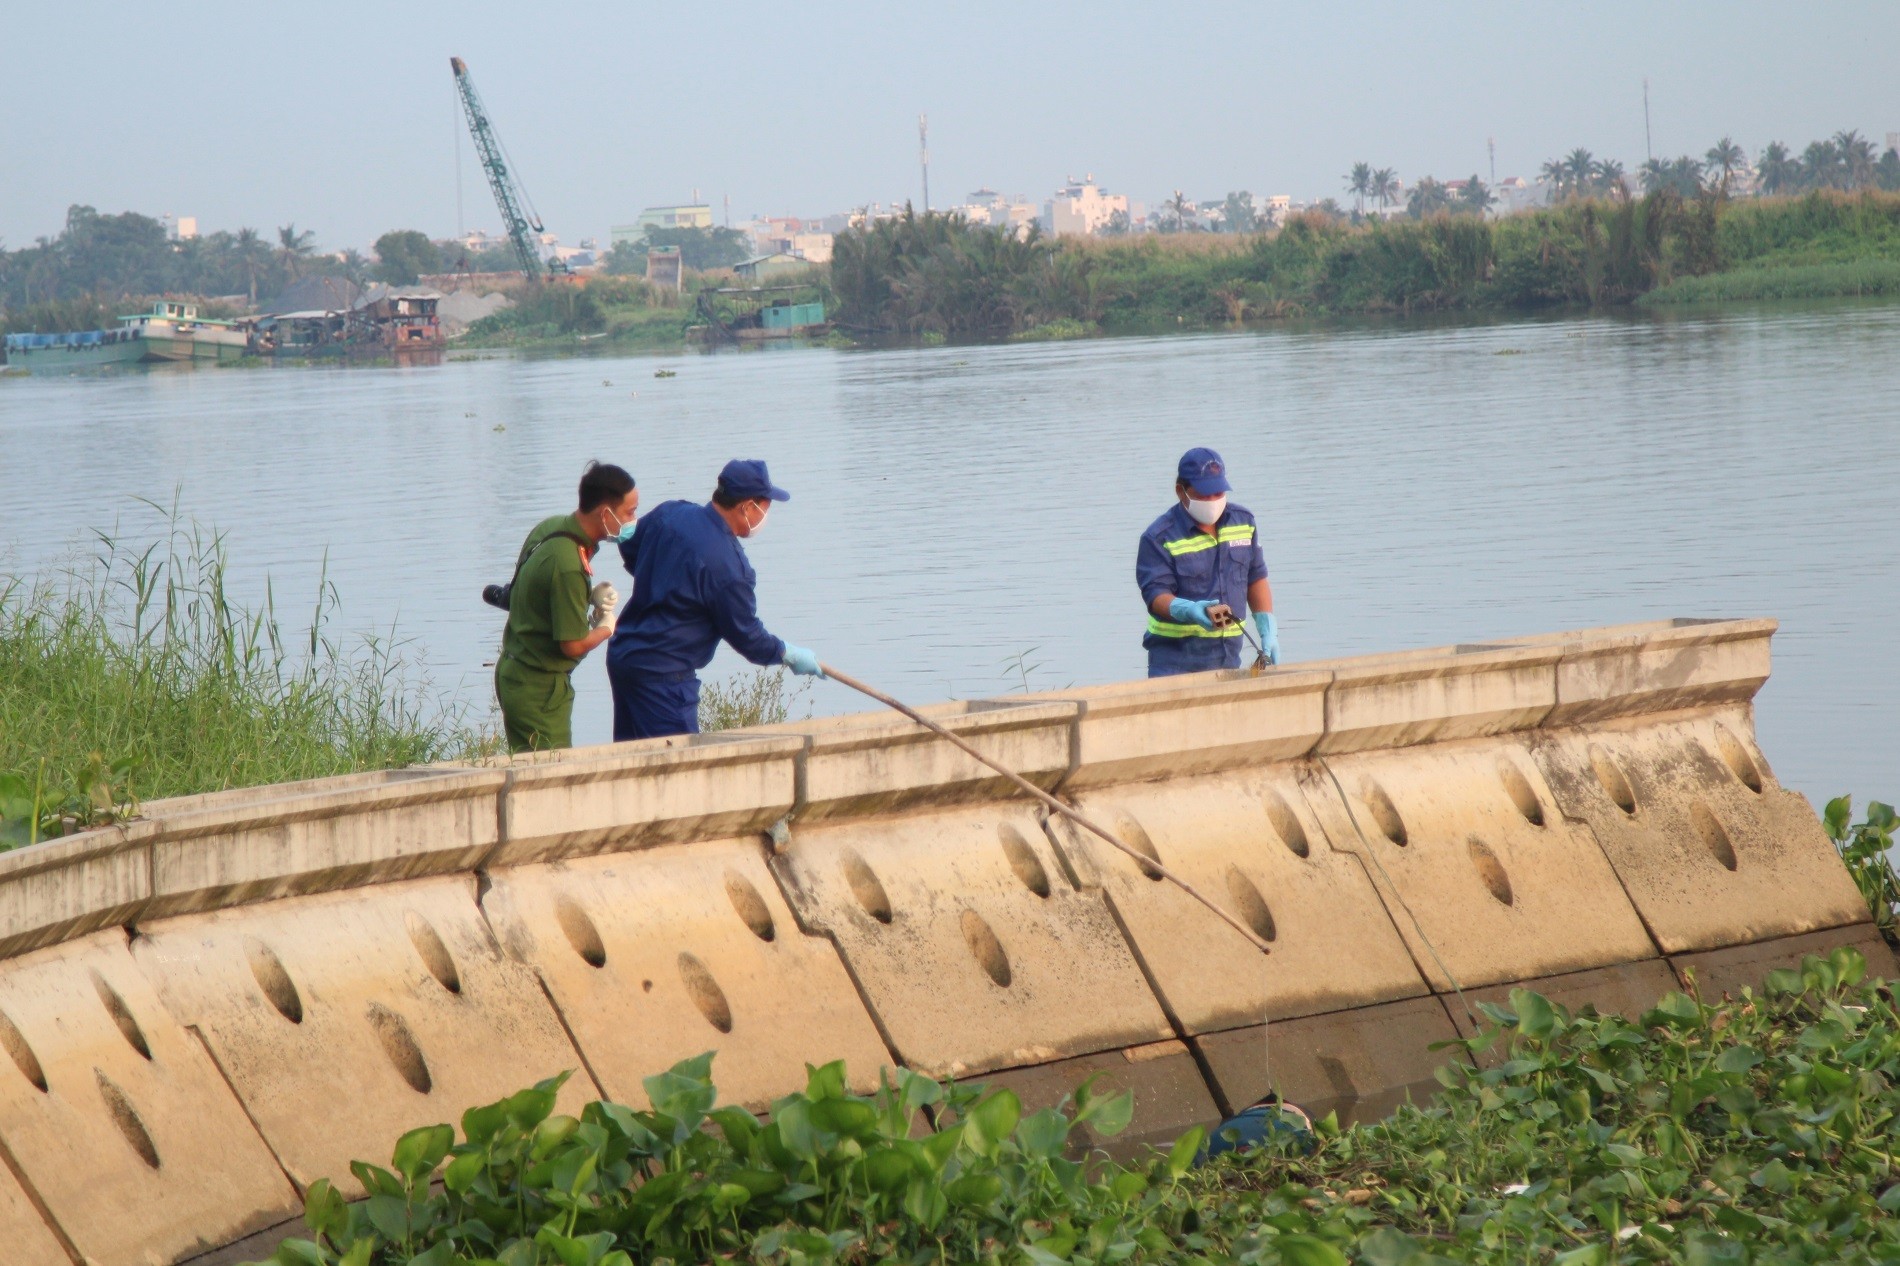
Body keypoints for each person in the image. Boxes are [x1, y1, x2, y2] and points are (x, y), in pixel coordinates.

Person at [606, 459, 823, 740]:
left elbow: (630, 543)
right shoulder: (730, 568)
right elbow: (746, 636)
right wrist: (785, 653)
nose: (764, 517)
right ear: (747, 507)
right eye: (765, 508)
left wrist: (661, 577)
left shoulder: (672, 512)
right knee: (677, 770)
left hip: (624, 657)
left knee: (632, 763)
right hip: (664, 676)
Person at [494, 461, 639, 752]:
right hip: (539, 691)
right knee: (548, 780)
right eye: (630, 512)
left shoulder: (552, 528)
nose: (634, 519)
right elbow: (571, 646)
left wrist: (586, 598)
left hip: (515, 672)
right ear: (605, 513)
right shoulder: (569, 566)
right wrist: (605, 628)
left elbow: (531, 592)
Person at [1136, 446, 1279, 678]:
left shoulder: (1243, 522)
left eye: (1218, 493)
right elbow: (1155, 595)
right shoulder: (1158, 537)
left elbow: (1255, 576)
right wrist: (1189, 610)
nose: (1213, 501)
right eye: (1203, 495)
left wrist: (1267, 629)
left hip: (1228, 659)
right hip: (1174, 663)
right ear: (1181, 492)